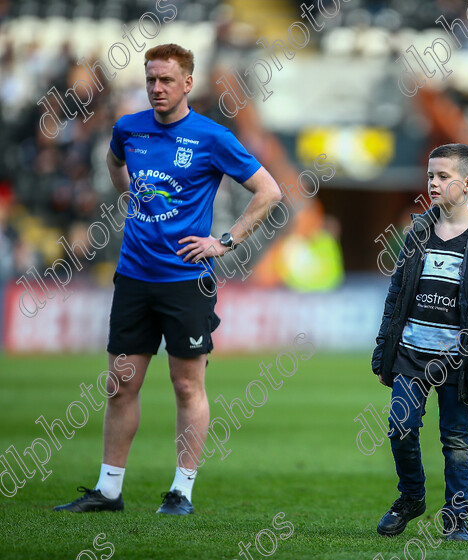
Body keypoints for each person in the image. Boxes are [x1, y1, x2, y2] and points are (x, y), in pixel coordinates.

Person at [53, 44, 282, 515]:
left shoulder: (212, 137)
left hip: (186, 280)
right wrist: (133, 200)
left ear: (187, 84)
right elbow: (117, 166)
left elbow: (269, 191)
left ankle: (181, 491)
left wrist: (225, 241)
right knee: (120, 383)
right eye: (151, 79)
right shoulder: (127, 129)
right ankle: (109, 491)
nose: (157, 88)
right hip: (134, 275)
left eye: (166, 81)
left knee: (186, 386)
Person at [371, 143, 468, 541]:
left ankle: (456, 517)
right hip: (412, 354)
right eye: (430, 176)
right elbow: (396, 296)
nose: (433, 183)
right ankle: (412, 497)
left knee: (456, 439)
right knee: (400, 426)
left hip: (459, 359)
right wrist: (385, 353)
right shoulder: (417, 230)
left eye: (443, 176)